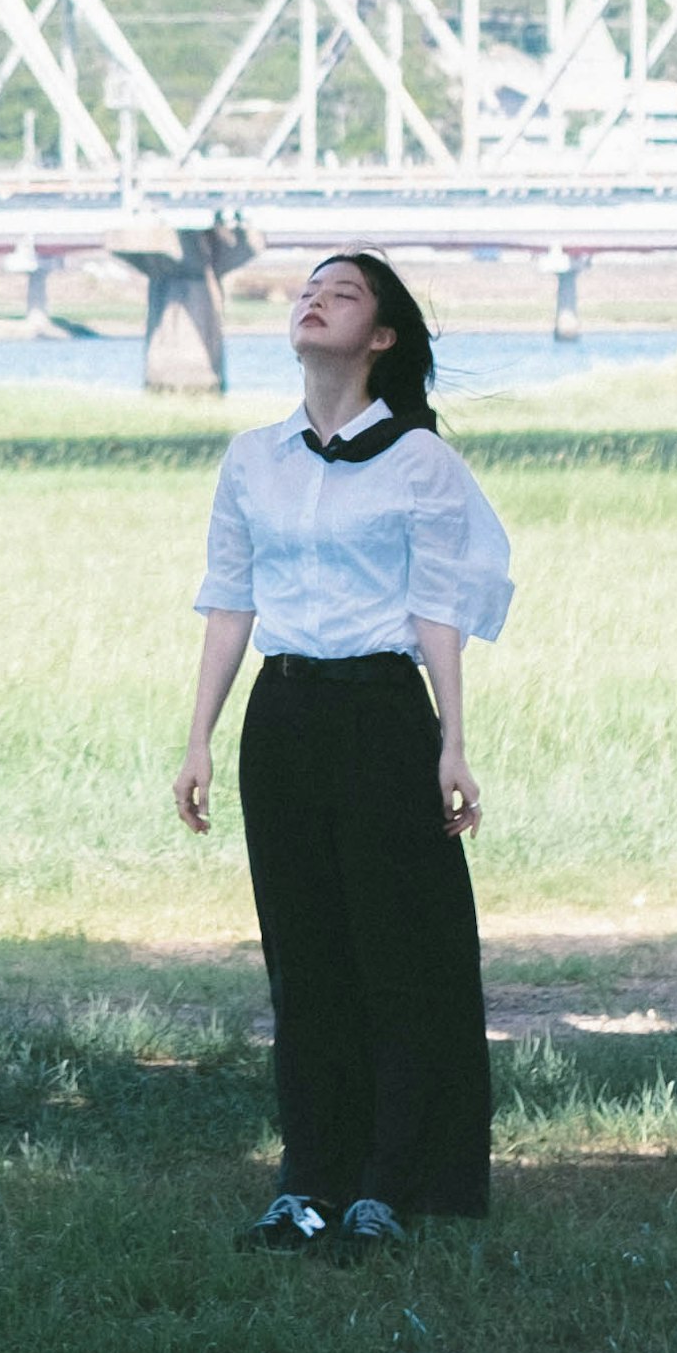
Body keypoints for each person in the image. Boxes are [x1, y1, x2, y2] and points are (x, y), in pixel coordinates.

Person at [174, 246, 514, 1248]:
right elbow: (229, 601)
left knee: (397, 952)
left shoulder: (421, 460)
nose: (314, 300)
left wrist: (455, 743)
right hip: (281, 718)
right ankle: (307, 1178)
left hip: (381, 714)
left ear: (383, 336)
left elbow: (439, 610)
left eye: (343, 292)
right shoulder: (251, 457)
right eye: (308, 288)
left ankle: (389, 1181)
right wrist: (197, 738)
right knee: (304, 956)